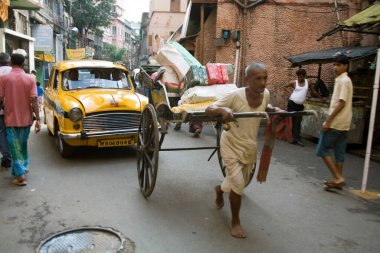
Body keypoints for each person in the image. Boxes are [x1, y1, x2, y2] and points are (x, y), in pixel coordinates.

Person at [206, 63, 283, 238]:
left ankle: (220, 189)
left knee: (237, 182)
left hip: (249, 146)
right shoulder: (235, 96)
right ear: (247, 80)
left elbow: (265, 107)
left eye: (265, 78)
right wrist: (223, 109)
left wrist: (272, 109)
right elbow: (209, 109)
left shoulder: (266, 95)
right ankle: (235, 222)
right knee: (239, 184)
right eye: (258, 78)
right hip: (231, 144)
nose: (263, 82)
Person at [0, 53, 41, 186]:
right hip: (26, 119)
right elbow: (34, 100)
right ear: (24, 64)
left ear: (11, 62)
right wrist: (38, 119)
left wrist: (4, 105)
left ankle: (20, 175)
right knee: (21, 145)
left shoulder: (4, 78)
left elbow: (0, 98)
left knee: (15, 147)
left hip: (11, 119)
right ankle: (23, 167)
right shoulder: (30, 79)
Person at [316, 54, 353, 190]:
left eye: (338, 65)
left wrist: (328, 121)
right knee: (339, 152)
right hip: (344, 123)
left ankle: (338, 177)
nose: (335, 67)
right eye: (334, 64)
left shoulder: (343, 81)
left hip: (337, 122)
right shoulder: (344, 80)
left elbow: (341, 103)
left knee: (321, 149)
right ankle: (338, 181)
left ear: (345, 66)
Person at [285, 69, 309, 147]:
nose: (299, 78)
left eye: (301, 77)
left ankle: (297, 139)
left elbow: (313, 91)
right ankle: (291, 137)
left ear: (305, 76)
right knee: (291, 121)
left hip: (300, 106)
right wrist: (291, 93)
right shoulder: (294, 82)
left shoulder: (308, 82)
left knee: (298, 122)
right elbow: (285, 87)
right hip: (292, 104)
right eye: (298, 77)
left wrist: (321, 98)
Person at [0, 53, 12, 168]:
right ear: (9, 61)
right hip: (14, 109)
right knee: (14, 132)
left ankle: (7, 157)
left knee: (2, 133)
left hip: (1, 111)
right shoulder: (15, 72)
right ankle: (17, 156)